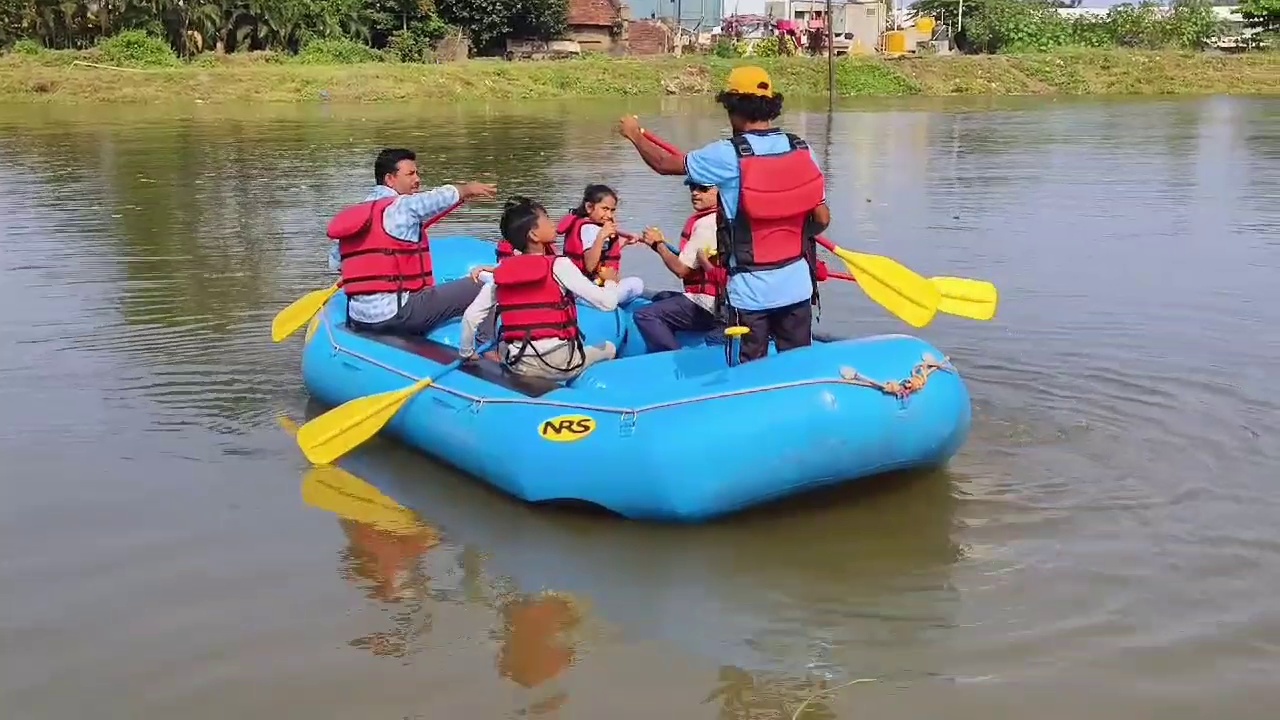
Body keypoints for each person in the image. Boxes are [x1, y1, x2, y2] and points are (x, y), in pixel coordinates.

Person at [617, 66, 830, 363]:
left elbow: (666, 164)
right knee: (798, 367)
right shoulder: (803, 149)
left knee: (748, 374)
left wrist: (634, 136)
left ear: (733, 109)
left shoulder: (727, 154)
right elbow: (821, 219)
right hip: (798, 287)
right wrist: (792, 236)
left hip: (750, 294)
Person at [327, 147, 497, 337]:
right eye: (410, 174)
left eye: (417, 173)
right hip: (398, 315)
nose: (417, 179)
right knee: (484, 285)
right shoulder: (401, 207)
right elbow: (431, 200)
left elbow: (335, 262)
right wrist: (466, 189)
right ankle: (487, 350)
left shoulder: (358, 215)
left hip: (360, 318)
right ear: (390, 179)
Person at [459, 197, 621, 381]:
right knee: (609, 347)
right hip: (560, 364)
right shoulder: (559, 265)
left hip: (518, 364)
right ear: (534, 235)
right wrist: (610, 282)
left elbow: (470, 317)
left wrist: (467, 353)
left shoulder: (501, 273)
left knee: (503, 344)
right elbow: (608, 304)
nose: (554, 224)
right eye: (547, 219)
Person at [631, 179, 722, 352]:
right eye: (692, 187)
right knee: (662, 296)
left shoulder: (707, 224)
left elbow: (682, 270)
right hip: (724, 300)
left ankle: (674, 359)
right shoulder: (726, 217)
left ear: (720, 191)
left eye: (703, 189)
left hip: (709, 305)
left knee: (645, 315)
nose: (695, 193)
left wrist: (658, 246)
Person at [557, 184, 645, 305]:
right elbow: (590, 266)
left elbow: (602, 253)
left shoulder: (585, 224)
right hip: (589, 291)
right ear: (589, 207)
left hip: (578, 289)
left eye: (612, 210)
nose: (609, 215)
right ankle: (607, 299)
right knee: (637, 283)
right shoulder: (592, 229)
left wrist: (623, 243)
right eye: (605, 209)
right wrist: (601, 236)